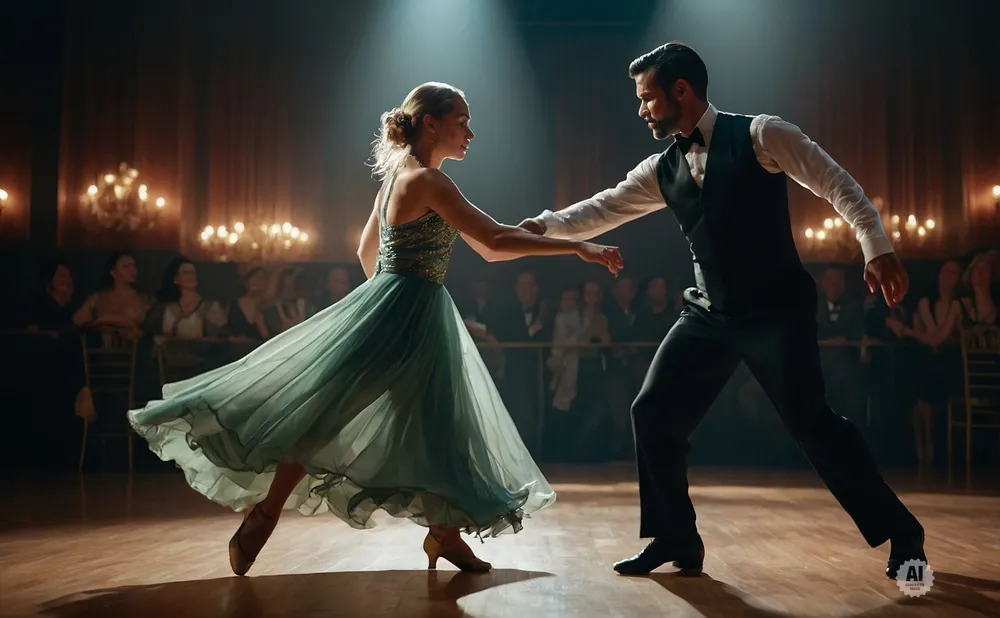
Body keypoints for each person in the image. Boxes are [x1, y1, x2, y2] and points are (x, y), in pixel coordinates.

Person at [127, 81, 623, 577]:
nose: (470, 131)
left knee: (425, 424)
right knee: (349, 416)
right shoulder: (429, 182)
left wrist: (384, 304)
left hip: (401, 308)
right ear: (431, 124)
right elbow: (492, 242)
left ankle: (441, 534)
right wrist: (578, 246)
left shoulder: (394, 181)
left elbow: (369, 253)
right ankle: (272, 514)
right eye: (462, 121)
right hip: (411, 312)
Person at [518, 42, 925, 579]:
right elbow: (601, 208)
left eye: (647, 98)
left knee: (814, 426)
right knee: (653, 412)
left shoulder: (763, 133)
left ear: (680, 91)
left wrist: (875, 244)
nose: (641, 110)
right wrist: (542, 227)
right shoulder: (660, 168)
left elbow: (836, 183)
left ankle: (902, 531)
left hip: (776, 310)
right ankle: (676, 538)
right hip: (709, 312)